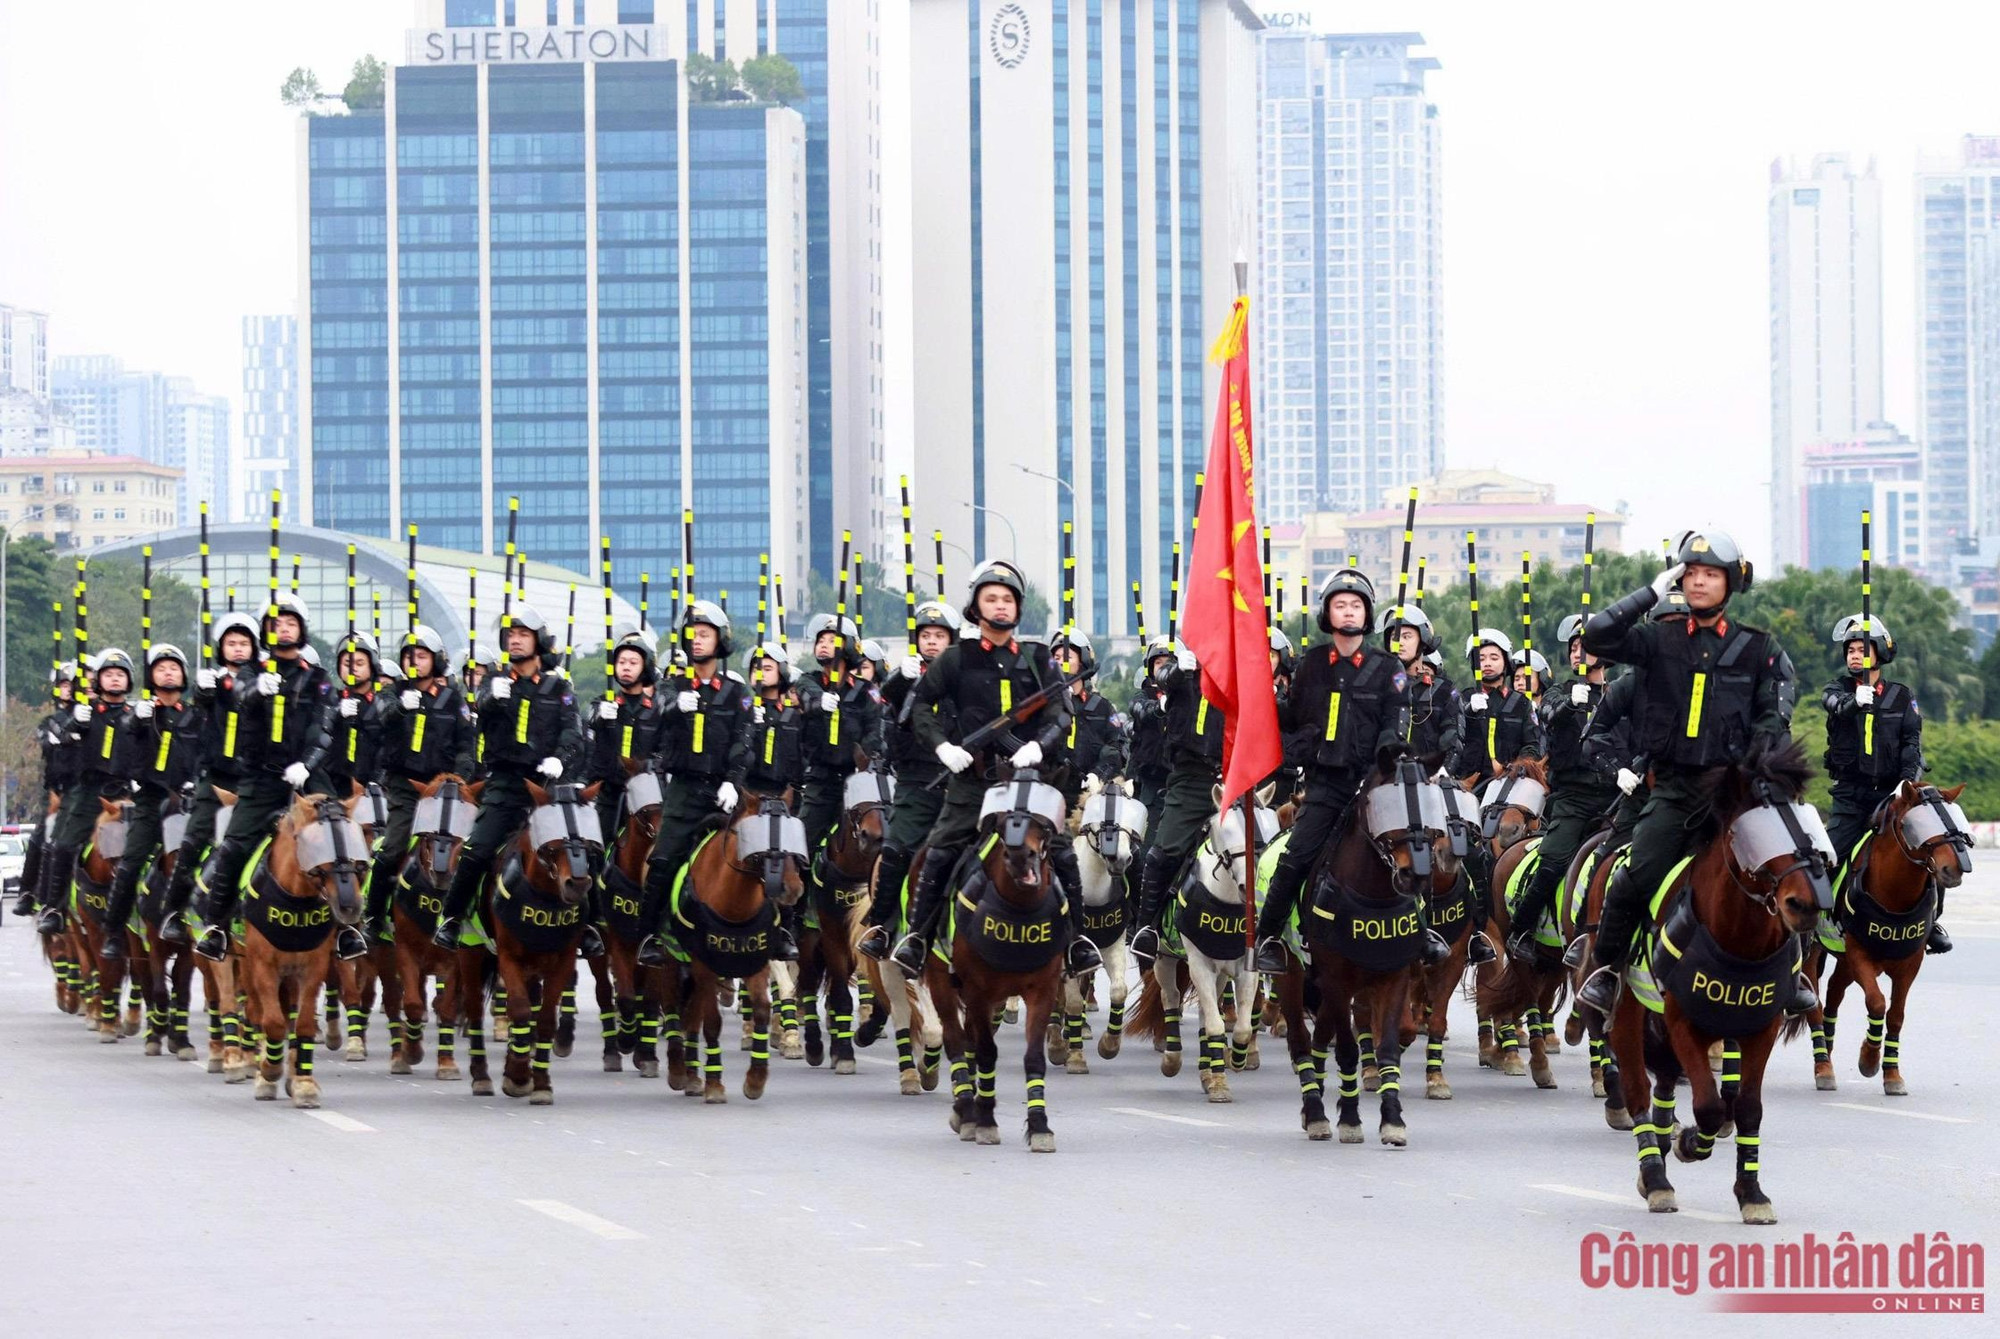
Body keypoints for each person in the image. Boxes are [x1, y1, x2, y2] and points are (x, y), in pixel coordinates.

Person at [1576, 530, 1811, 1016]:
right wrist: (1649, 594)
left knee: (1799, 869)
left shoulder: (1758, 648)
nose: (1699, 582)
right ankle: (1605, 970)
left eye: (1711, 574)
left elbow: (1776, 709)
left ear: (1731, 583)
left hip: (1736, 793)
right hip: (1676, 790)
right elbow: (1597, 635)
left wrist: (1761, 762)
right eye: (1692, 573)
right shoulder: (1656, 639)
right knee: (1635, 877)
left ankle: (1794, 974)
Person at [891, 559, 1100, 977]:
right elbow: (920, 708)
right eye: (991, 598)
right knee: (941, 850)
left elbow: (1062, 713)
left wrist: (1039, 747)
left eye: (1008, 599)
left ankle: (1076, 941)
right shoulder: (955, 659)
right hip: (974, 783)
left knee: (1060, 853)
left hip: (1031, 781)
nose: (1000, 606)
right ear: (975, 607)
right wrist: (944, 747)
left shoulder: (1041, 659)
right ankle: (918, 938)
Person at [1254, 571, 1420, 974]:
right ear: (1328, 613)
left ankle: (1424, 933)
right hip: (1326, 785)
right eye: (1341, 604)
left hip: (1375, 784)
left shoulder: (1390, 667)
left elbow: (1397, 716)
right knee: (1294, 858)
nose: (1349, 611)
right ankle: (1269, 938)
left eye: (1357, 605)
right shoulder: (1311, 665)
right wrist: (1261, 696)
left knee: (1417, 851)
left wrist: (1387, 751)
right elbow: (1292, 719)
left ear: (1367, 615)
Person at [192, 595, 342, 962]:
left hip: (307, 779)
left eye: (291, 622)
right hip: (261, 780)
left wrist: (307, 764)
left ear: (302, 629)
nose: (284, 628)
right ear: (266, 631)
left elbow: (324, 728)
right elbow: (238, 696)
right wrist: (258, 691)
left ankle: (351, 926)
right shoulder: (250, 673)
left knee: (343, 842)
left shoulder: (319, 679)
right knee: (232, 848)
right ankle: (216, 927)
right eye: (277, 624)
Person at [431, 606, 585, 950]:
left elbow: (572, 731)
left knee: (581, 849)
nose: (515, 640)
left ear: (539, 641)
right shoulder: (494, 682)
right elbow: (478, 716)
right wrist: (490, 699)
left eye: (523, 634)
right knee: (474, 851)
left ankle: (588, 925)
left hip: (546, 788)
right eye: (511, 634)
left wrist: (560, 760)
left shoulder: (558, 686)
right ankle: (452, 918)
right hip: (504, 785)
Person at [636, 602, 753, 968]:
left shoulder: (737, 692)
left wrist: (734, 782)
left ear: (721, 640)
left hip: (723, 794)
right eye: (692, 634)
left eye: (705, 633)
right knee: (663, 860)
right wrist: (672, 707)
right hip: (685, 791)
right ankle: (650, 935)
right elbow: (649, 730)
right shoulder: (671, 686)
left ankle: (773, 930)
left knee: (761, 857)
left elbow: (744, 741)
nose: (697, 640)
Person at [1821, 614, 1944, 952]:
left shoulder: (1902, 696)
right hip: (1849, 796)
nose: (1855, 655)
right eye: (1850, 650)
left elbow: (1911, 745)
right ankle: (1819, 916)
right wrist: (1852, 703)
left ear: (1880, 653)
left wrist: (1906, 785)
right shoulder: (1837, 689)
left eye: (1862, 649)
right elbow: (1830, 704)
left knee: (1932, 844)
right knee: (1825, 857)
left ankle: (1931, 920)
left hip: (1890, 798)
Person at [1506, 614, 1620, 963]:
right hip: (1573, 798)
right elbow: (1549, 715)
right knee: (1554, 859)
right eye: (1572, 648)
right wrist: (1574, 702)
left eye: (1583, 646)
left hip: (1615, 798)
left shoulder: (1620, 693)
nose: (1576, 653)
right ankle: (1520, 929)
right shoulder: (1559, 691)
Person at [858, 600, 962, 962]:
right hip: (916, 785)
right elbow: (888, 696)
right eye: (925, 636)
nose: (931, 642)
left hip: (960, 785)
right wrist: (903, 676)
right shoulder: (906, 679)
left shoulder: (963, 679)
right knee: (895, 848)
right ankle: (883, 926)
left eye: (939, 636)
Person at [155, 614, 262, 942]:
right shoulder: (211, 684)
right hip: (216, 782)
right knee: (190, 843)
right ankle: (173, 912)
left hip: (255, 784)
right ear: (220, 648)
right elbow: (199, 710)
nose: (238, 649)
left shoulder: (265, 680)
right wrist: (204, 691)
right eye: (231, 643)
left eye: (244, 643)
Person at [365, 626, 475, 941]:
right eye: (409, 656)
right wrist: (402, 707)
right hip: (405, 788)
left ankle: (461, 915)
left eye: (422, 655)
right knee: (391, 849)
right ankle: (374, 917)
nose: (415, 661)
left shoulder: (454, 700)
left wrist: (459, 781)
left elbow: (466, 747)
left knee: (466, 850)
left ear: (435, 660)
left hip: (444, 790)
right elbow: (380, 717)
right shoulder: (392, 692)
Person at [99, 646, 205, 962]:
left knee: (207, 860)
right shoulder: (138, 716)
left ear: (184, 675)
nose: (168, 672)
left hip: (187, 802)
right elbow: (118, 759)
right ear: (151, 678)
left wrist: (196, 780)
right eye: (160, 668)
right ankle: (114, 932)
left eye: (174, 667)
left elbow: (207, 753)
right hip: (149, 800)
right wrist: (133, 724)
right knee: (129, 864)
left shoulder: (196, 715)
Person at [1126, 636, 1227, 966]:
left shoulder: (1235, 674)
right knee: (1158, 855)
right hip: (1184, 781)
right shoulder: (1180, 678)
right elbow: (1162, 684)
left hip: (1232, 779)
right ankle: (1146, 929)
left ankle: (1267, 935)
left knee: (1256, 856)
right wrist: (1177, 671)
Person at [792, 610, 885, 961]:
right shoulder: (807, 682)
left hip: (856, 782)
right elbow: (804, 697)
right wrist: (820, 702)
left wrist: (869, 758)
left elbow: (875, 735)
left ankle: (882, 917)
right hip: (819, 781)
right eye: (820, 640)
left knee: (882, 842)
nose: (825, 645)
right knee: (799, 847)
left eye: (832, 639)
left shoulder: (866, 693)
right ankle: (792, 920)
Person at [1451, 626, 1542, 966]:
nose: (1487, 663)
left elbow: (1534, 743)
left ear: (1505, 661)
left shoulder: (1521, 703)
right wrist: (1470, 716)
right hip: (1475, 785)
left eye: (1493, 657)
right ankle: (1475, 920)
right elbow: (1457, 750)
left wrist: (1517, 765)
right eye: (1480, 658)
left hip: (1513, 783)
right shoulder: (1463, 698)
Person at [36, 653, 136, 937]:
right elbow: (61, 744)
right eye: (108, 674)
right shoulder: (85, 714)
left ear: (129, 680)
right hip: (90, 792)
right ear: (99, 681)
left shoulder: (136, 715)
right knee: (63, 846)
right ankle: (53, 908)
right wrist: (73, 725)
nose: (115, 678)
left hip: (127, 792)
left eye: (120, 673)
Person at [587, 630, 669, 856]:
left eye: (633, 662)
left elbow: (664, 750)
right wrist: (600, 716)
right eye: (621, 661)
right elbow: (587, 718)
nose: (626, 666)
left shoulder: (657, 709)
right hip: (609, 794)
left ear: (646, 667)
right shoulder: (604, 702)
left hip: (644, 796)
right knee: (593, 851)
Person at [12, 667, 80, 922]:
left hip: (91, 791)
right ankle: (28, 892)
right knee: (40, 839)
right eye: (63, 684)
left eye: (72, 684)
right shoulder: (49, 722)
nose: (68, 688)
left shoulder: (93, 714)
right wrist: (66, 735)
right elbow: (47, 743)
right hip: (58, 793)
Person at [1380, 604, 1459, 772]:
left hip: (1429, 778)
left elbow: (1452, 738)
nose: (1399, 642)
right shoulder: (1379, 687)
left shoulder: (1443, 690)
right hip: (1385, 778)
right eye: (1394, 637)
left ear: (1422, 641)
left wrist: (1444, 770)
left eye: (1407, 636)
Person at [323, 631, 392, 807]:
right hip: (332, 789)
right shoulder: (330, 699)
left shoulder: (383, 705)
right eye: (347, 663)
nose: (353, 668)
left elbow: (389, 748)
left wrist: (378, 782)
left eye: (359, 663)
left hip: (373, 792)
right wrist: (337, 714)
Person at [739, 641, 805, 802]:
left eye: (767, 669)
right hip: (747, 795)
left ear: (781, 673)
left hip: (785, 797)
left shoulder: (794, 717)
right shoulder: (741, 708)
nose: (760, 673)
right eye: (755, 670)